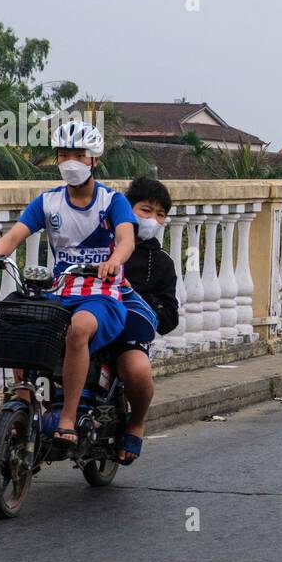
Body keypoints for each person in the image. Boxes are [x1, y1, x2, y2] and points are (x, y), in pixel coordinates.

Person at [0, 120, 136, 451]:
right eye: (64, 154)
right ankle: (23, 395)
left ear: (94, 160)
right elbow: (16, 234)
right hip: (60, 290)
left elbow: (126, 239)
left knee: (79, 330)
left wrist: (114, 261)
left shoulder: (112, 202)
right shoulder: (48, 202)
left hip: (101, 293)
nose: (71, 162)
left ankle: (66, 417)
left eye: (79, 155)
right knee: (14, 316)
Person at [107, 177, 180, 464]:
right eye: (145, 210)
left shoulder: (161, 262)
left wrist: (146, 306)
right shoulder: (103, 243)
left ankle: (135, 423)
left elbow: (170, 315)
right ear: (127, 209)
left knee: (138, 371)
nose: (152, 219)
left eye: (160, 214)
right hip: (92, 318)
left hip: (129, 333)